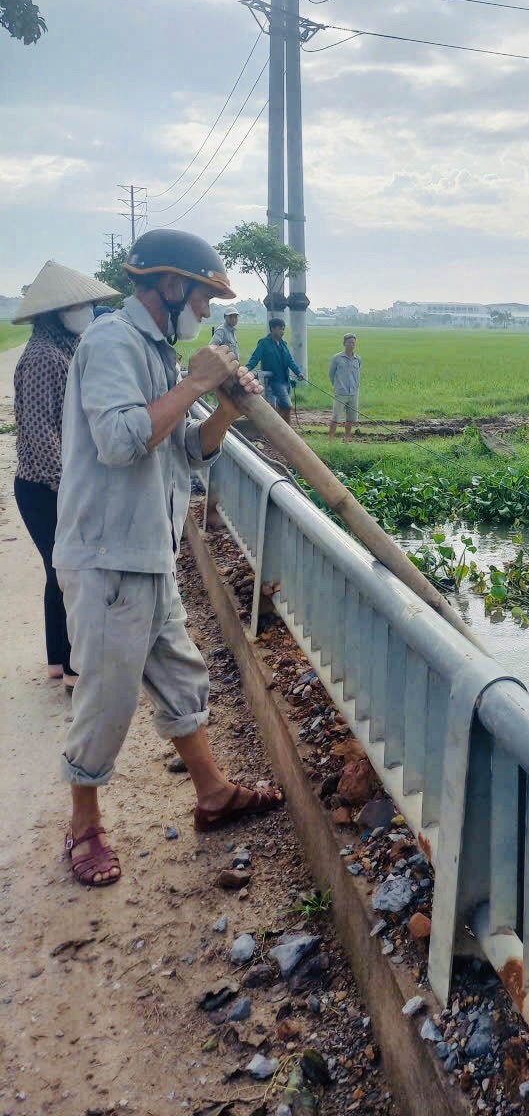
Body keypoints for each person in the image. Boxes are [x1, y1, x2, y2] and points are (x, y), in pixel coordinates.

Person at [53, 228, 283, 887]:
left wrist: (226, 411)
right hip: (107, 557)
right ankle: (84, 829)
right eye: (205, 298)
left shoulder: (155, 351)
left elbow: (182, 445)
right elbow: (123, 439)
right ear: (170, 285)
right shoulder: (110, 344)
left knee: (182, 678)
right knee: (106, 697)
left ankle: (211, 794)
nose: (208, 312)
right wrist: (199, 381)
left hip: (149, 551)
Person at [13, 261, 119, 692]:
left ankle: (60, 660)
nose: (88, 311)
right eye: (81, 304)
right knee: (71, 570)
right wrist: (70, 486)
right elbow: (40, 432)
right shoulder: (42, 356)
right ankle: (74, 665)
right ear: (57, 311)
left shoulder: (66, 351)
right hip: (44, 486)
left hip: (54, 483)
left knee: (60, 569)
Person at [246, 317, 303, 424]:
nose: (282, 332)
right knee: (287, 405)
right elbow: (255, 357)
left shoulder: (283, 344)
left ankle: (286, 429)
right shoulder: (264, 343)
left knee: (282, 407)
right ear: (272, 329)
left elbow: (290, 361)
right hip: (275, 380)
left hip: (286, 380)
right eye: (280, 329)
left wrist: (298, 372)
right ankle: (279, 426)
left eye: (283, 329)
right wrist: (247, 368)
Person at [328, 332, 362, 442]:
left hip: (353, 392)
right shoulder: (337, 358)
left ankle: (347, 439)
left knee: (351, 418)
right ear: (344, 343)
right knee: (336, 417)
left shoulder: (358, 359)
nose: (351, 345)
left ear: (355, 344)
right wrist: (337, 386)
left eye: (353, 343)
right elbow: (331, 374)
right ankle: (331, 440)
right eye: (348, 342)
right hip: (341, 392)